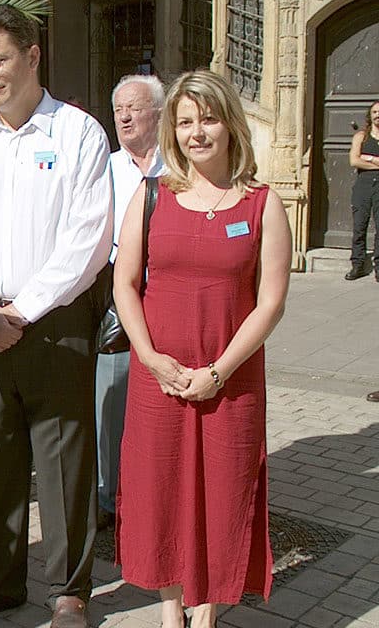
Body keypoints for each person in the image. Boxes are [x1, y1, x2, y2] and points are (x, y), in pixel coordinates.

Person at [0, 5, 113, 628]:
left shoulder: (79, 134)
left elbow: (88, 237)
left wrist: (24, 309)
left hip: (56, 323)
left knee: (64, 460)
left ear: (33, 56)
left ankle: (69, 593)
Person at [113, 69, 291, 628]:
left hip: (230, 381)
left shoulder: (263, 204)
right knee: (161, 491)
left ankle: (207, 609)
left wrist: (218, 371)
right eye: (185, 121)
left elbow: (270, 303)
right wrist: (149, 357)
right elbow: (124, 284)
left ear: (230, 124)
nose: (196, 132)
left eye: (208, 119)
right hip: (158, 379)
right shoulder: (152, 196)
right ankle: (171, 610)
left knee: (224, 492)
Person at [95, 74, 165, 530]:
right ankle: (108, 496)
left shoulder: (179, 166)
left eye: (133, 108)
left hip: (167, 290)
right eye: (118, 109)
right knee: (112, 394)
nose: (123, 117)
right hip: (116, 294)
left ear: (157, 114)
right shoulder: (103, 168)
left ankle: (156, 493)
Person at [345, 100, 379, 281]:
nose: (377, 115)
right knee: (359, 226)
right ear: (370, 115)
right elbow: (354, 161)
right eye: (374, 112)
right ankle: (357, 265)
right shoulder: (361, 136)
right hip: (363, 185)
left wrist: (370, 158)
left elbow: (362, 159)